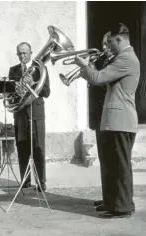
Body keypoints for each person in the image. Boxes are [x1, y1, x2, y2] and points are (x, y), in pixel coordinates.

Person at [75, 23, 139, 218]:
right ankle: (111, 201)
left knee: (119, 166)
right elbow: (102, 80)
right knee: (110, 164)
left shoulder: (126, 58)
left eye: (110, 42)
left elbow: (98, 78)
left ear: (119, 39)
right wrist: (90, 69)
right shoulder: (122, 58)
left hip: (120, 119)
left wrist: (85, 66)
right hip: (114, 119)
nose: (108, 46)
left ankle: (122, 207)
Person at [8, 42, 50, 192]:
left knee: (38, 148)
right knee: (22, 147)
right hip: (20, 114)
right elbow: (11, 93)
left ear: (31, 53)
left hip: (36, 113)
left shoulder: (40, 69)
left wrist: (33, 83)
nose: (22, 56)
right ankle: (25, 180)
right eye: (19, 53)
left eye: (24, 53)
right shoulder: (13, 70)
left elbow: (46, 92)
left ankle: (41, 182)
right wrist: (17, 91)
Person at [89, 32, 115, 210]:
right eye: (102, 44)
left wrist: (90, 70)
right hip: (99, 115)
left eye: (107, 44)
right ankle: (107, 197)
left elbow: (104, 83)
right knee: (104, 160)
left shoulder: (116, 63)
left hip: (110, 116)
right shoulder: (101, 62)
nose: (104, 47)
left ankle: (113, 200)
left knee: (112, 161)